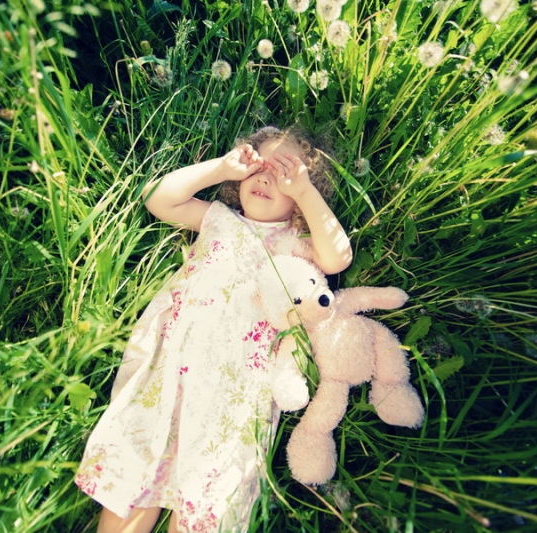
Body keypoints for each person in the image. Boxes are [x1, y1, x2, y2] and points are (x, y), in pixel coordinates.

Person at [75, 125, 353, 533]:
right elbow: (157, 197)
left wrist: (305, 192)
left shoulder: (299, 243)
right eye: (258, 167)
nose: (265, 178)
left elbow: (338, 258)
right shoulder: (219, 219)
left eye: (283, 173)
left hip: (236, 391)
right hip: (170, 372)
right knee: (137, 468)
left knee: (208, 495)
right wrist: (220, 169)